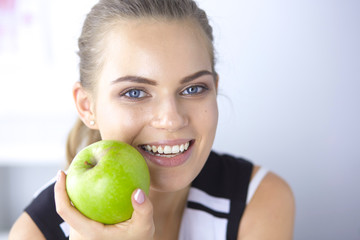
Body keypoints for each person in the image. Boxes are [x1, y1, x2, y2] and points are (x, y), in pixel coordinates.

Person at [9, 0, 295, 239]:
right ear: (87, 106)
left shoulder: (258, 201)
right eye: (135, 92)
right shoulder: (36, 232)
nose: (171, 120)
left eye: (193, 89)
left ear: (215, 90)